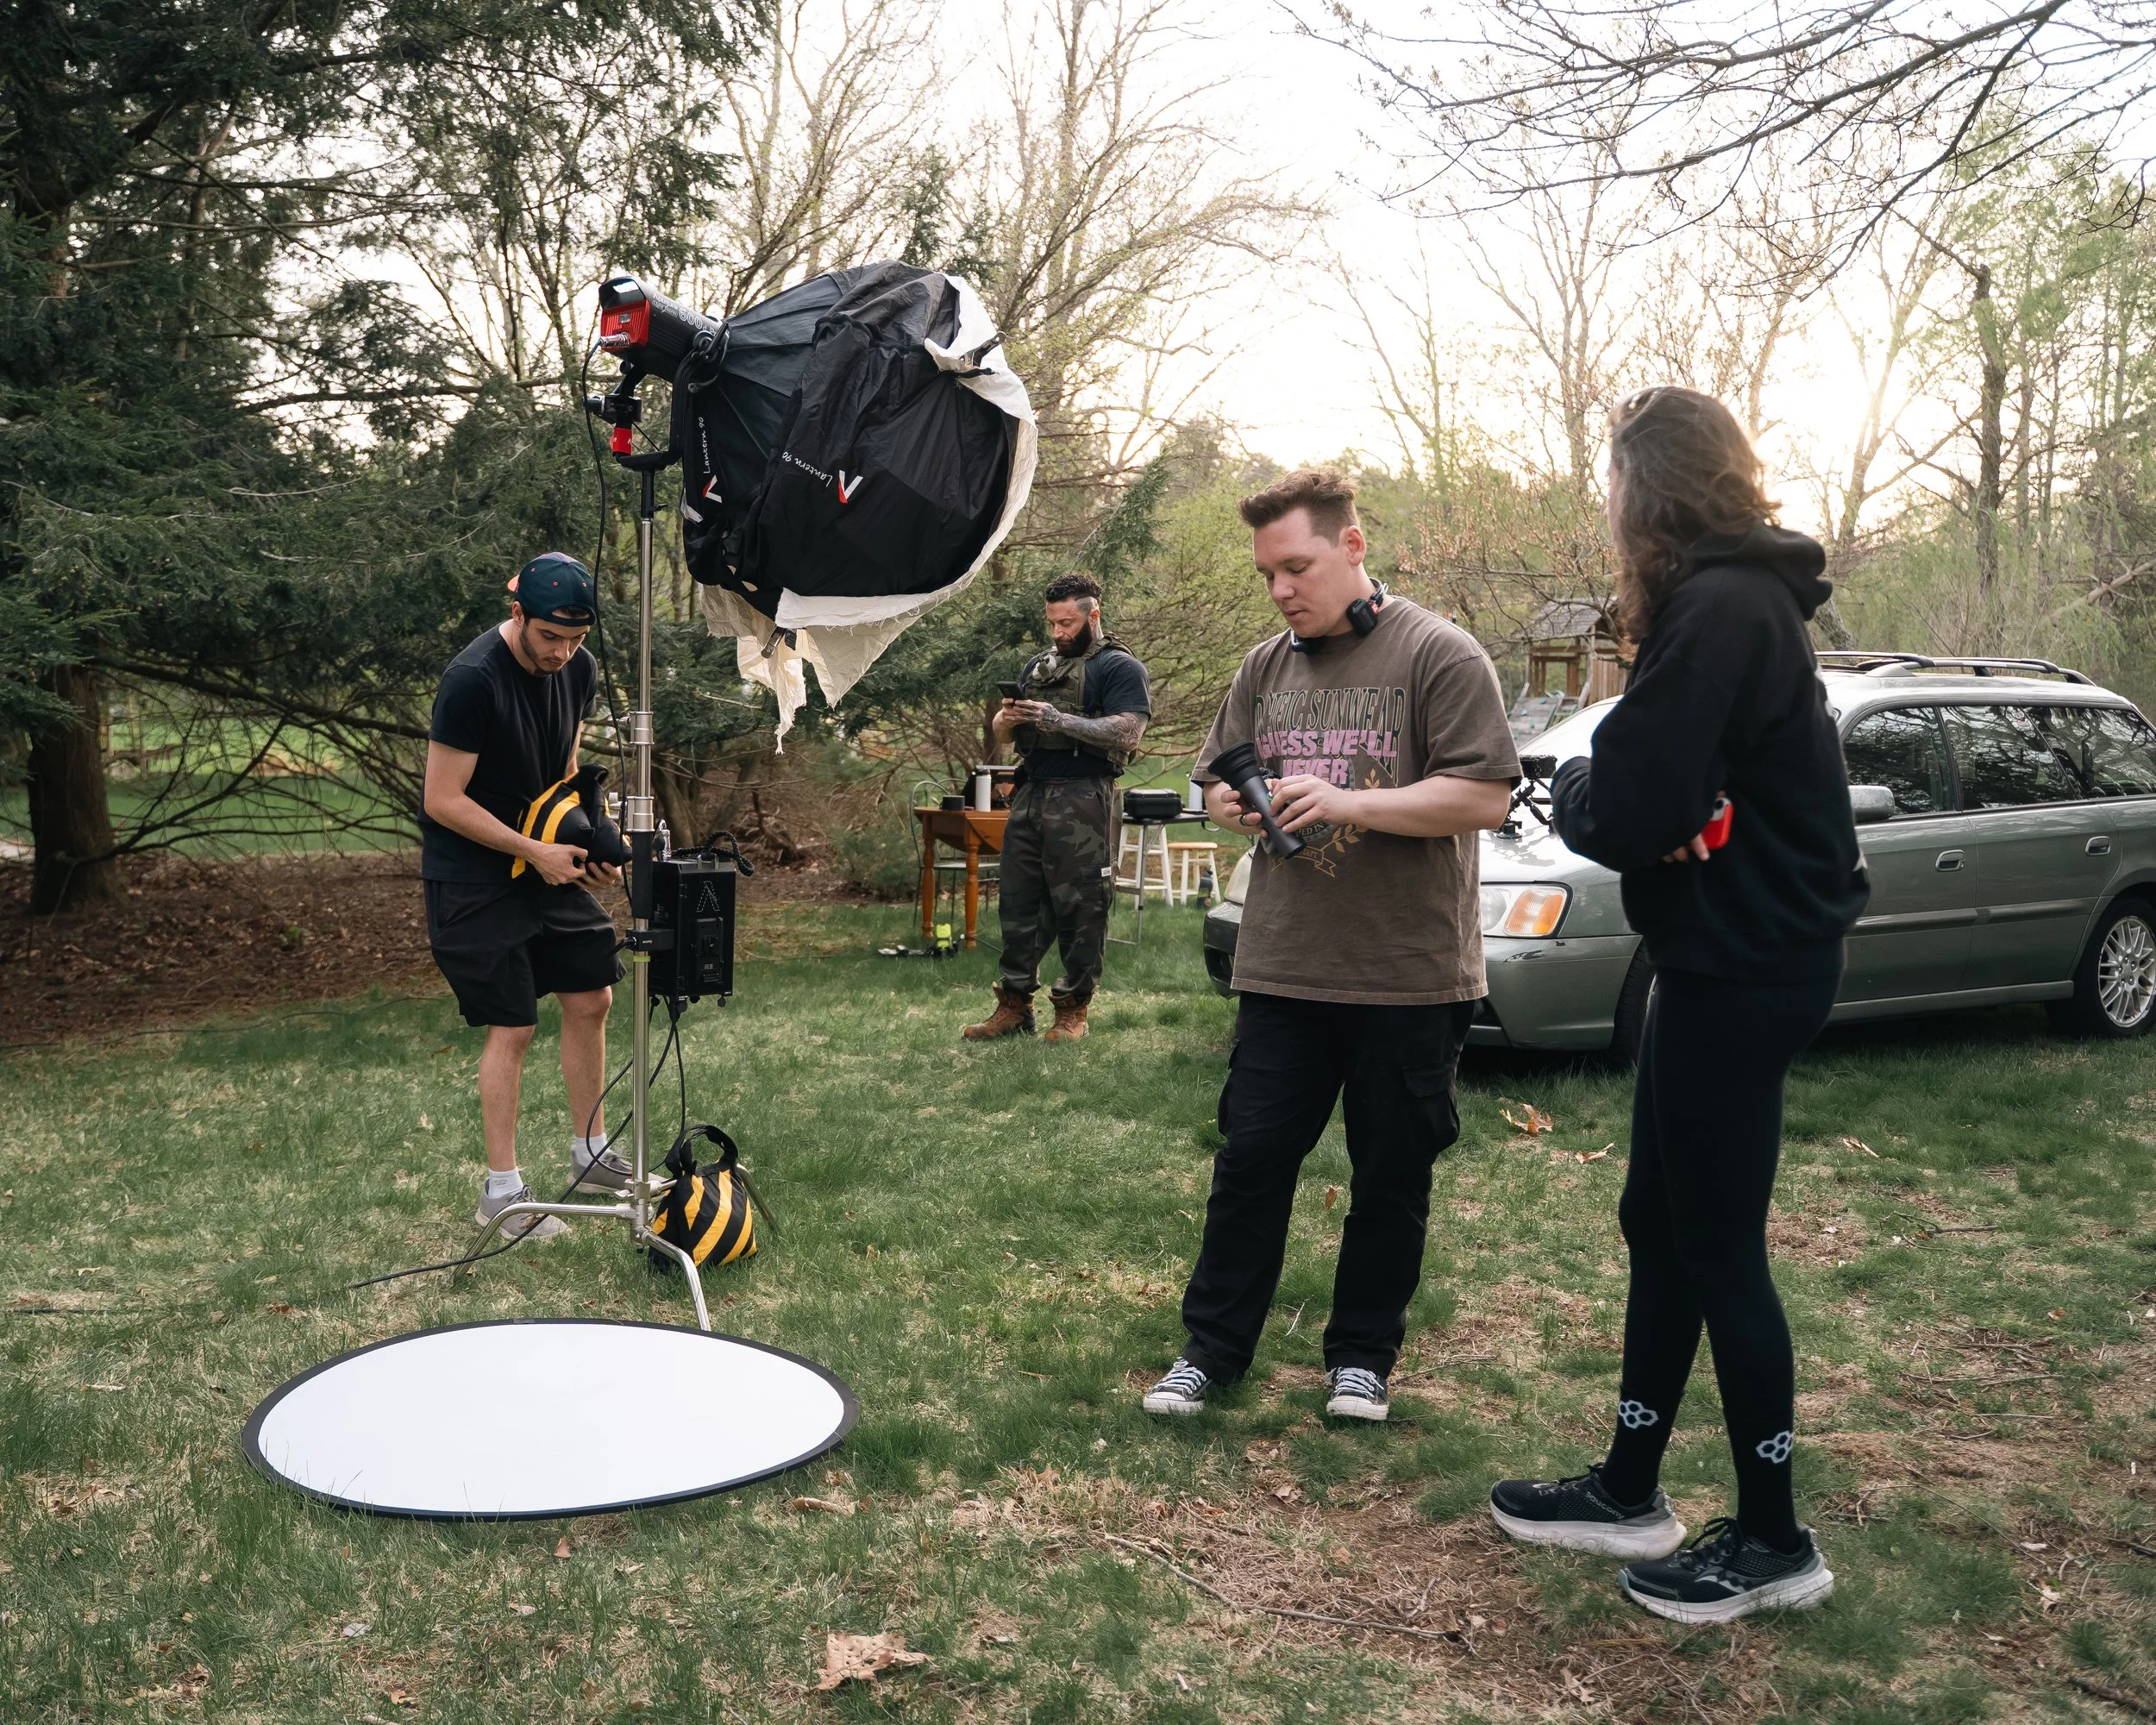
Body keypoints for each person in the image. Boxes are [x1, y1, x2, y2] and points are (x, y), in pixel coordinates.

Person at [1486, 387, 1870, 1622]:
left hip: (1744, 965)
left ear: (1647, 491)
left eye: (1613, 490)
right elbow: (1689, 794)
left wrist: (1599, 786)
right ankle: (1628, 1490)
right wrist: (1673, 810)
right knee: (1659, 1222)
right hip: (1727, 956)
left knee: (1716, 1246)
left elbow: (1631, 798)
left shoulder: (1718, 607)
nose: (1608, 514)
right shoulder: (1739, 602)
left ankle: (1774, 1541)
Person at [1142, 468, 1519, 1423]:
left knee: (1389, 1175)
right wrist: (1226, 802)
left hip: (1408, 973)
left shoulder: (1439, 653)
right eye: (1267, 573)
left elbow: (1484, 796)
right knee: (1251, 1161)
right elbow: (1213, 779)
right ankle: (1210, 1351)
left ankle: (1361, 1357)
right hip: (1283, 964)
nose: (1280, 590)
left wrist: (1353, 801)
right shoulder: (1264, 667)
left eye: (1296, 567)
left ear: (1353, 547)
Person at [420, 552, 632, 1240]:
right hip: (475, 872)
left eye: (576, 639)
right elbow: (442, 800)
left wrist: (585, 841)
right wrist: (532, 851)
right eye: (550, 638)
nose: (563, 653)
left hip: (542, 852)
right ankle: (503, 1197)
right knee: (512, 1025)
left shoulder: (579, 668)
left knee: (592, 993)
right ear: (519, 616)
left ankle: (591, 1153)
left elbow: (563, 767)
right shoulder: (472, 680)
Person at [962, 571, 1151, 1044]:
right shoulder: (1038, 667)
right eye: (1053, 624)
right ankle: (1013, 1006)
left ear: (1093, 614)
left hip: (1084, 793)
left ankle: (1073, 1011)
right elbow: (1005, 738)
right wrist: (1006, 719)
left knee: (1082, 906)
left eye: (1067, 623)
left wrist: (1056, 719)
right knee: (1018, 902)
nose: (1059, 633)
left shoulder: (1119, 668)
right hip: (1031, 793)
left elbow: (1128, 732)